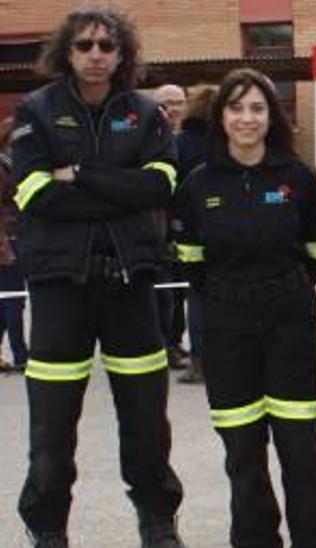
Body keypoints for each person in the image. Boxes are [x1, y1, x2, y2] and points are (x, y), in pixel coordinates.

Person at [9, 7, 185, 547]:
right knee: (52, 428)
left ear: (121, 53)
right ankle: (48, 529)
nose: (94, 54)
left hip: (130, 284)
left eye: (106, 46)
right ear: (66, 50)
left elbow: (160, 187)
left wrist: (81, 175)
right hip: (60, 285)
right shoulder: (35, 110)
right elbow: (34, 194)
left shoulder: (146, 114)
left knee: (146, 424)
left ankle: (157, 524)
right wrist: (120, 190)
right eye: (84, 45)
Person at [171, 68, 316, 548]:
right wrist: (234, 295)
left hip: (292, 325)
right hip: (226, 328)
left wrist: (280, 289)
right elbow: (193, 263)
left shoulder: (298, 179)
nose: (247, 118)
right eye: (236, 107)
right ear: (220, 116)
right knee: (243, 453)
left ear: (272, 116)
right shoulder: (198, 185)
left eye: (257, 108)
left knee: (301, 451)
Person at [172, 84, 215, 385]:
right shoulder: (224, 143)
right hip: (225, 227)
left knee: (195, 296)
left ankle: (199, 360)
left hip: (188, 230)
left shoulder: (178, 144)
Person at [151, 83, 190, 373]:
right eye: (166, 102)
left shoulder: (190, 140)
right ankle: (163, 343)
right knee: (162, 291)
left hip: (185, 226)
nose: (173, 108)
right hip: (156, 228)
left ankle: (174, 340)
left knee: (180, 291)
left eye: (178, 101)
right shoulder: (149, 139)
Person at [0, 116, 28, 375]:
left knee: (7, 301)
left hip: (18, 236)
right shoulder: (3, 165)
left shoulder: (16, 164)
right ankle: (21, 355)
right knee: (14, 300)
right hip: (8, 239)